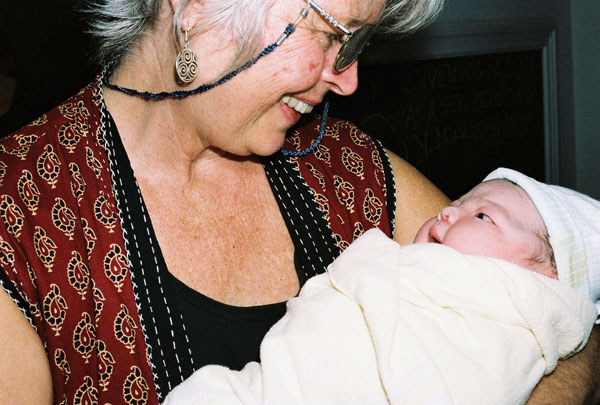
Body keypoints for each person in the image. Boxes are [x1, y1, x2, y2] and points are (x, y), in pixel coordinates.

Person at [0, 0, 597, 402]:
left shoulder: (344, 165)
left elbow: (564, 310)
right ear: (196, 7)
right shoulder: (20, 218)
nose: (349, 78)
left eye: (358, 43)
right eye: (334, 33)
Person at [161, 167, 600, 404]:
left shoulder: (507, 316)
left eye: (482, 216)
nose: (447, 212)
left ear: (546, 279)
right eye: (458, 202)